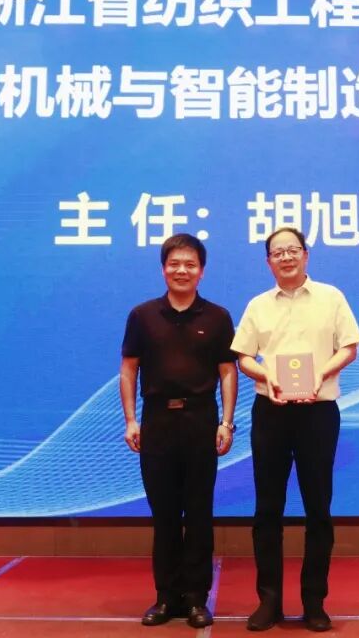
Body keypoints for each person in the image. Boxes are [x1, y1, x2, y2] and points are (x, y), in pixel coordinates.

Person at [231, 227, 359, 633]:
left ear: (306, 254)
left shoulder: (331, 297)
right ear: (268, 262)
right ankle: (269, 600)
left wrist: (320, 374)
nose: (286, 257)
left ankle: (314, 602)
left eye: (293, 250)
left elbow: (349, 347)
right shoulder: (258, 305)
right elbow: (242, 357)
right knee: (267, 510)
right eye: (278, 253)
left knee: (318, 509)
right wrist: (266, 375)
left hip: (318, 413)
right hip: (270, 411)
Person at [120, 233, 238, 629]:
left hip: (201, 420)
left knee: (200, 513)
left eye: (190, 264)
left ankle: (196, 599)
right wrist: (131, 420)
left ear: (201, 271)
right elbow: (129, 370)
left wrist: (226, 422)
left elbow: (228, 372)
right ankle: (166, 597)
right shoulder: (142, 315)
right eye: (174, 263)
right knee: (165, 514)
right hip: (157, 421)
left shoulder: (217, 317)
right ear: (163, 269)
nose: (181, 270)